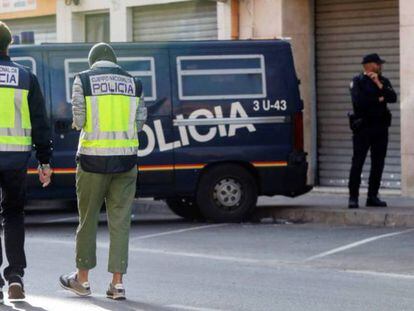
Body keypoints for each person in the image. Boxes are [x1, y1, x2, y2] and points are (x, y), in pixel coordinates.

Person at [59, 43, 147, 300]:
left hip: (92, 162)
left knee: (87, 220)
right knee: (120, 223)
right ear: (114, 60)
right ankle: (117, 284)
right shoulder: (134, 83)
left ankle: (82, 280)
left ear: (93, 61)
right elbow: (140, 122)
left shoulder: (84, 80)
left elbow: (79, 119)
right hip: (126, 162)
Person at [0, 21, 53, 302]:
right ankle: (15, 277)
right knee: (13, 214)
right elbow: (40, 123)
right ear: (9, 45)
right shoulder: (25, 77)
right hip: (15, 159)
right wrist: (45, 160)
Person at [348, 53, 397, 209]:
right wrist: (379, 99)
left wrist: (378, 84)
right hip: (363, 128)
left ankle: (372, 196)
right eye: (377, 64)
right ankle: (353, 197)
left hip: (380, 128)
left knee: (378, 163)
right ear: (368, 65)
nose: (380, 66)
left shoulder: (383, 81)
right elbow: (360, 102)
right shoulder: (358, 81)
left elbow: (393, 97)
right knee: (358, 163)